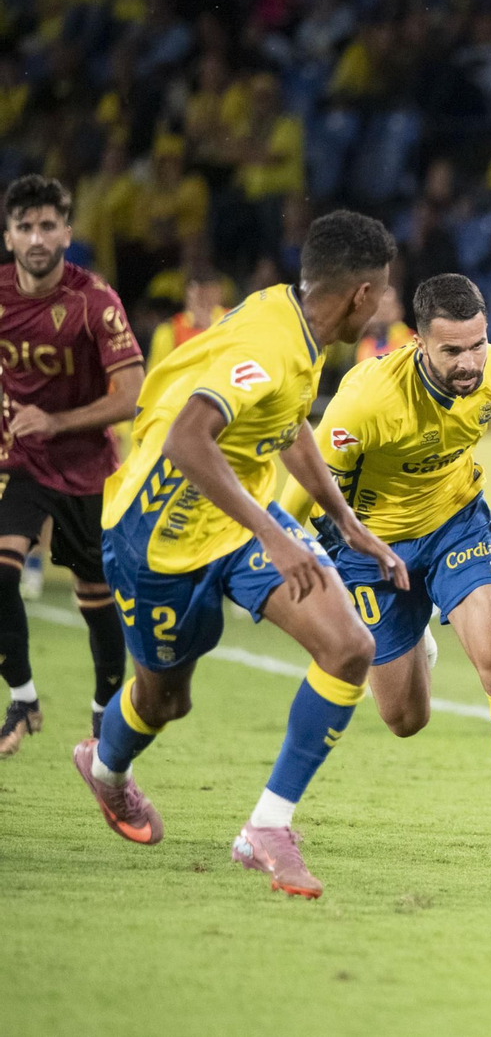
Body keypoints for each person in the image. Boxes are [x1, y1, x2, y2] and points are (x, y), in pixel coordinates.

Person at [80, 210, 407, 900]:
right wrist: (273, 532)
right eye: (380, 292)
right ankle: (106, 768)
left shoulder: (296, 322)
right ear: (360, 294)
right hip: (154, 537)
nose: (381, 305)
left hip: (237, 523)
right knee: (163, 700)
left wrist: (346, 523)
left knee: (350, 647)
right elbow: (187, 440)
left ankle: (268, 827)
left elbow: (286, 425)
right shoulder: (266, 341)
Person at [278, 273, 491, 873]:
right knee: (405, 720)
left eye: (478, 344)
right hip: (370, 548)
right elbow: (299, 495)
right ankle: (416, 632)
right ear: (418, 344)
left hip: (456, 527)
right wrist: (269, 560)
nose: (471, 362)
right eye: (453, 350)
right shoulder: (365, 399)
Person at [0, 175, 144, 757]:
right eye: (24, 226)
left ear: (66, 232)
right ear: (8, 236)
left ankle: (103, 710)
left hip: (87, 466)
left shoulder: (94, 302)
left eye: (47, 225)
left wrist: (56, 421)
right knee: (1, 572)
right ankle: (23, 698)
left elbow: (132, 395)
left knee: (95, 597)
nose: (36, 236)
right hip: (22, 461)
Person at [145, 268, 227, 369]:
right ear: (187, 296)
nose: (205, 303)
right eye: (200, 297)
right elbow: (156, 375)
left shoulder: (234, 321)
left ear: (220, 294)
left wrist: (208, 326)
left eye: (209, 296)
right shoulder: (169, 330)